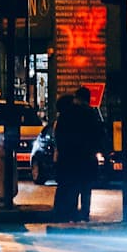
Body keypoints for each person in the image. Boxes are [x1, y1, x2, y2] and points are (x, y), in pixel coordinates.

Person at [51, 85, 105, 222]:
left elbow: (60, 137)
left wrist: (62, 153)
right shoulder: (91, 114)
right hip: (87, 158)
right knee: (86, 189)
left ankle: (72, 215)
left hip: (69, 159)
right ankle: (85, 215)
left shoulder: (66, 114)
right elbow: (99, 135)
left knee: (72, 189)